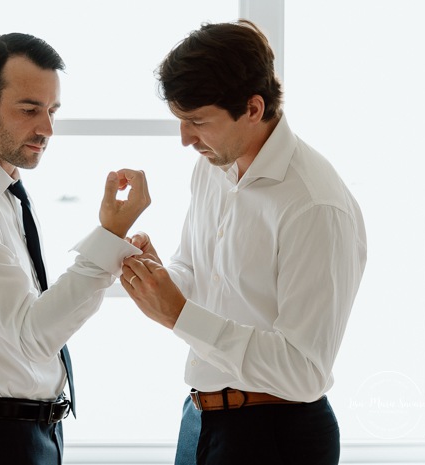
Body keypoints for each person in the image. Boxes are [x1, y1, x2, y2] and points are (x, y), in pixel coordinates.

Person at [121, 20, 367, 465]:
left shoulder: (314, 206)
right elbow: (196, 273)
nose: (185, 139)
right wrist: (160, 277)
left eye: (197, 121)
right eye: (180, 120)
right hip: (199, 420)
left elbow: (303, 370)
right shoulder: (212, 168)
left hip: (277, 435)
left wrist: (179, 315)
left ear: (253, 108)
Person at [0, 32, 150, 465]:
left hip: (27, 434)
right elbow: (33, 336)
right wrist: (108, 237)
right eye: (30, 109)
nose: (47, 129)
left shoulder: (0, 193)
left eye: (52, 110)